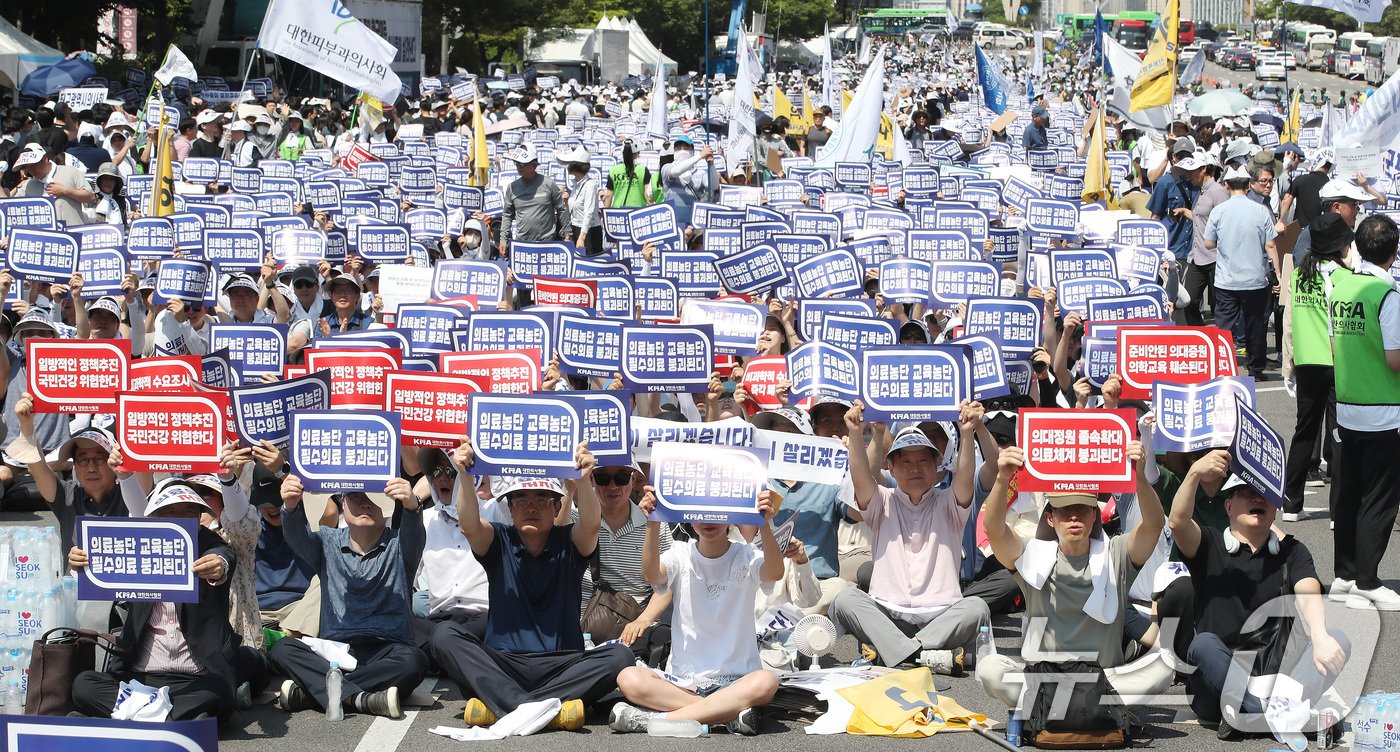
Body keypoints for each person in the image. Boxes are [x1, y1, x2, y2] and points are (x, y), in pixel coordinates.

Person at [429, 440, 633, 729]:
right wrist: (464, 475)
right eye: (521, 499)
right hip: (503, 664)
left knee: (619, 655)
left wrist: (585, 479)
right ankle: (541, 709)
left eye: (541, 499)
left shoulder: (569, 542)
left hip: (562, 665)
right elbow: (470, 525)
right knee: (444, 635)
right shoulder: (499, 540)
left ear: (557, 506)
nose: (531, 507)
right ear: (510, 508)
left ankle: (505, 705)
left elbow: (590, 525)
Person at [976, 442, 1175, 711]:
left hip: (1104, 680)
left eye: (1082, 509)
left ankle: (1056, 710)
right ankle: (1077, 709)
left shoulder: (1114, 553)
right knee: (989, 667)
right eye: (1063, 509)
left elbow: (1154, 525)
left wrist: (1138, 475)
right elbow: (995, 530)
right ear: (1049, 518)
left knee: (1164, 667)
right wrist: (1002, 478)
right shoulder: (1032, 555)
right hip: (1044, 679)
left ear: (1094, 515)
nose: (1073, 516)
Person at [1167, 457, 1348, 738]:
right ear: (1228, 506)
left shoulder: (1292, 551)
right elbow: (1178, 523)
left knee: (1339, 639)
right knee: (1203, 646)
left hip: (1277, 682)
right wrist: (1193, 474)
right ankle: (1273, 716)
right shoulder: (1209, 544)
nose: (1258, 500)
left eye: (1265, 495)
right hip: (1219, 685)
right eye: (1248, 493)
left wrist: (1321, 636)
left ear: (1275, 509)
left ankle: (1256, 715)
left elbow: (1308, 590)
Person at [828, 401, 992, 673]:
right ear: (891, 469)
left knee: (976, 607)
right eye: (905, 462)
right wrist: (856, 434)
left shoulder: (949, 502)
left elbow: (964, 478)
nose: (914, 468)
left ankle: (898, 652)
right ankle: (920, 656)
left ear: (937, 464)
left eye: (922, 461)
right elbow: (860, 478)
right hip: (887, 615)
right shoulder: (882, 500)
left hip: (941, 617)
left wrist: (966, 433)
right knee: (846, 599)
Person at [606, 485, 784, 735]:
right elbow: (651, 574)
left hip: (737, 680)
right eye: (698, 512)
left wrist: (763, 524)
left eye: (716, 512)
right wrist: (653, 523)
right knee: (628, 678)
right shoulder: (680, 553)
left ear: (731, 515)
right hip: (683, 682)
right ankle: (726, 714)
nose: (707, 520)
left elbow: (775, 572)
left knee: (766, 682)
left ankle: (655, 721)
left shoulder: (747, 554)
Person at [68, 480, 239, 722]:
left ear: (200, 519)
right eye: (169, 512)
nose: (179, 519)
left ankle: (128, 717)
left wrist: (217, 565)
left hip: (195, 679)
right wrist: (79, 561)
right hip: (138, 679)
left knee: (218, 693)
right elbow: (96, 566)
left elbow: (224, 558)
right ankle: (169, 719)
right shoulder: (135, 545)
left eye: (188, 513)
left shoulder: (210, 545)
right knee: (83, 684)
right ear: (153, 517)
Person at [271, 477, 429, 719]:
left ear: (385, 505)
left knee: (414, 661)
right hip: (334, 651)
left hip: (387, 649)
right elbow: (295, 536)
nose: (365, 504)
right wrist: (291, 506)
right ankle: (361, 699)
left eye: (372, 499)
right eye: (356, 497)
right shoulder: (327, 541)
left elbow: (415, 530)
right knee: (283, 648)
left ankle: (319, 693)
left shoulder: (400, 544)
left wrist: (411, 504)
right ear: (343, 503)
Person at [1328, 213, 1400, 611]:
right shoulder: (1386, 295)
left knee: (1351, 493)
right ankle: (1369, 581)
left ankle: (1345, 573)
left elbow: (1336, 345)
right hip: (1384, 411)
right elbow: (1394, 359)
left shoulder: (1340, 286)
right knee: (1381, 497)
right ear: (1394, 252)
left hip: (1348, 406)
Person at [1282, 212, 1354, 522]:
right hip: (1338, 363)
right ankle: (1339, 510)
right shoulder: (1343, 279)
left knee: (1304, 432)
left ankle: (1291, 502)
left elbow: (1287, 322)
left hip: (1307, 362)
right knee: (1339, 436)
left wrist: (1289, 363)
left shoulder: (1298, 275)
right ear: (1341, 246)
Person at [1204, 165, 1280, 379]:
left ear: (1226, 185)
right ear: (1249, 185)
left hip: (1226, 280)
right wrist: (1278, 274)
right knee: (1256, 326)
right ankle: (1256, 369)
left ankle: (1222, 366)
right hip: (1255, 279)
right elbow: (1271, 245)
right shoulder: (1260, 211)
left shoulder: (1219, 211)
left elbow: (1209, 243)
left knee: (1224, 327)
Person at [1179, 152, 1228, 327]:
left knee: (1219, 307)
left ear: (1204, 169)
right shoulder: (1199, 192)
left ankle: (1223, 342)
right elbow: (1203, 219)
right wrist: (1185, 212)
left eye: (1191, 171)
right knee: (1188, 301)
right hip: (1197, 257)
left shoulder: (1219, 192)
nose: (1187, 176)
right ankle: (1200, 337)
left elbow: (1224, 224)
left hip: (1215, 258)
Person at [499, 142, 568, 254]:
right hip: (522, 243)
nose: (518, 167)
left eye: (522, 164)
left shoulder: (548, 184)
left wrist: (568, 234)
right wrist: (503, 239)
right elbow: (507, 215)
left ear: (534, 165)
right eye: (516, 163)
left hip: (547, 242)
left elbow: (561, 209)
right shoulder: (512, 187)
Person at [12, 142, 94, 227]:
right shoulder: (29, 185)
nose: (31, 170)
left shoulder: (70, 172)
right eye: (27, 167)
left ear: (45, 159)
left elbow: (90, 197)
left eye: (34, 165)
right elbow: (10, 207)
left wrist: (65, 191)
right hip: (46, 238)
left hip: (72, 235)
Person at [557, 146, 602, 256]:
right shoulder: (576, 185)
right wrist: (569, 234)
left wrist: (582, 238)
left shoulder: (590, 185)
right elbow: (571, 212)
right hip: (576, 228)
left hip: (589, 232)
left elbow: (589, 213)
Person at [605, 139, 651, 209]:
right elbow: (647, 195)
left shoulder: (613, 171)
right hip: (638, 212)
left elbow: (608, 196)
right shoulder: (643, 170)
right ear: (636, 153)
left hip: (618, 212)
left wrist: (605, 213)